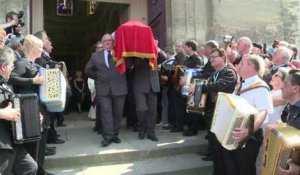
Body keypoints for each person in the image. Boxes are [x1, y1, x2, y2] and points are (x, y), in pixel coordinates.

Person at [222, 54, 273, 175]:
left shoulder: (260, 87)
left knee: (244, 169)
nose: (238, 65)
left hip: (250, 136)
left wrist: (249, 130)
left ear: (251, 67)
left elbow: (263, 112)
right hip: (235, 132)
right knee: (232, 168)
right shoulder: (243, 83)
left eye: (241, 63)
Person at [188, 48, 237, 170]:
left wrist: (199, 86)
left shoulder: (229, 72)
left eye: (215, 56)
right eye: (211, 57)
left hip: (223, 115)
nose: (212, 59)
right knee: (214, 145)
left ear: (223, 58)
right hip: (212, 112)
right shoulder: (214, 74)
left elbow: (218, 85)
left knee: (221, 150)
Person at [0, 28, 38, 175]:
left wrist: (33, 118)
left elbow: (13, 105)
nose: (13, 69)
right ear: (3, 67)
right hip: (2, 144)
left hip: (12, 138)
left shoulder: (5, 82)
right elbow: (6, 110)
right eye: (11, 66)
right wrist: (3, 113)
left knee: (29, 167)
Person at [85, 33, 127, 147]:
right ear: (102, 44)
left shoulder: (121, 54)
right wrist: (98, 77)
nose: (108, 42)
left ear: (113, 42)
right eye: (105, 41)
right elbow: (88, 70)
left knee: (118, 113)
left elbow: (128, 66)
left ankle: (114, 134)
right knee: (106, 112)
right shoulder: (96, 56)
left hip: (119, 88)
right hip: (103, 89)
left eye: (110, 40)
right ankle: (107, 136)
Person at [279, 69, 300, 175]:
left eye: (285, 84)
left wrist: (298, 170)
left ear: (295, 88)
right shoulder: (289, 107)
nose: (281, 87)